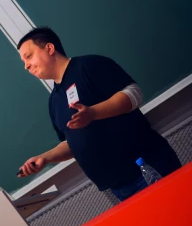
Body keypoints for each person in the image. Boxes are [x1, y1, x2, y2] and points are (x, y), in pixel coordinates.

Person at [17, 27, 181, 201]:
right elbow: (71, 143)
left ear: (49, 49)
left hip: (147, 167)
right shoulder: (54, 101)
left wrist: (93, 113)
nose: (26, 66)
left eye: (29, 56)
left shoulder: (89, 66)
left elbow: (134, 94)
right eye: (24, 61)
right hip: (117, 187)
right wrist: (45, 158)